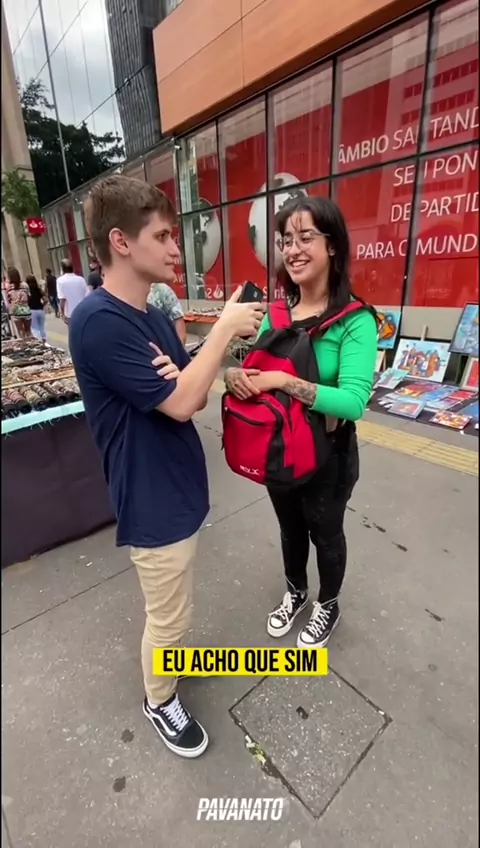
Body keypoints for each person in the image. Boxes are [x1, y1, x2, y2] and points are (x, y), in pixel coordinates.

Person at [68, 176, 264, 758]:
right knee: (168, 615)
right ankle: (160, 699)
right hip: (150, 498)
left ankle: (171, 659)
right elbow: (179, 402)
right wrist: (222, 331)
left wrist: (189, 377)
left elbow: (191, 394)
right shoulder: (98, 321)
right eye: (163, 236)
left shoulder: (152, 313)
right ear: (121, 242)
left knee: (175, 605)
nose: (177, 249)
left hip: (179, 485)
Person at [224, 197, 377, 649]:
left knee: (325, 533)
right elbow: (246, 368)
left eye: (305, 237)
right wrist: (234, 376)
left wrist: (282, 381)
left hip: (328, 455)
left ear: (332, 246)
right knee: (290, 529)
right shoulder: (273, 314)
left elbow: (354, 402)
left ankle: (328, 604)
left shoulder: (355, 321)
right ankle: (296, 592)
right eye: (286, 240)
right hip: (279, 448)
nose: (293, 249)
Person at [56, 259, 88, 324]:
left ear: (62, 269)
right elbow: (87, 295)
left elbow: (62, 299)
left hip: (70, 313)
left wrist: (62, 313)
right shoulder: (81, 279)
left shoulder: (60, 281)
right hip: (83, 311)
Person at [5, 266, 31, 338]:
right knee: (28, 331)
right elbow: (29, 296)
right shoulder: (24, 285)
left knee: (20, 331)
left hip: (15, 311)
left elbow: (8, 301)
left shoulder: (9, 287)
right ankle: (32, 343)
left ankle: (24, 343)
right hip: (25, 310)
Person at [26, 274, 47, 340]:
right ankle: (44, 340)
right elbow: (46, 300)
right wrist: (42, 305)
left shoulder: (27, 291)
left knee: (35, 328)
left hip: (31, 311)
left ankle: (38, 341)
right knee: (42, 327)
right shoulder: (38, 289)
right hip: (40, 310)